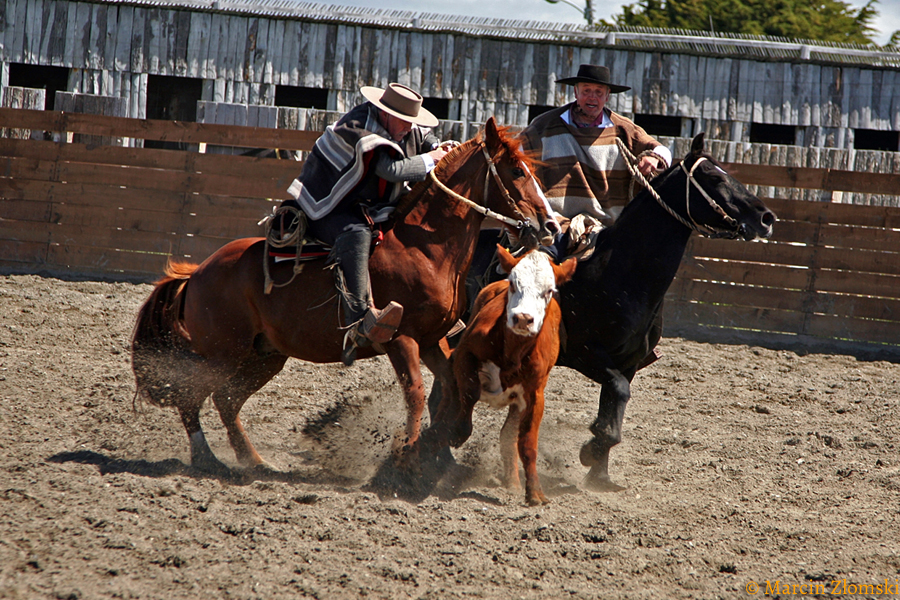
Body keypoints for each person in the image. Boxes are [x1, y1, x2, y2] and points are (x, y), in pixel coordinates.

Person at [285, 83, 450, 366]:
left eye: (413, 121)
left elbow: (424, 137)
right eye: (405, 120)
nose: (410, 128)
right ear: (385, 114)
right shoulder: (357, 126)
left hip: (364, 203)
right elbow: (390, 169)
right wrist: (430, 160)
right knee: (356, 232)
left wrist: (436, 147)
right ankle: (359, 318)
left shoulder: (401, 127)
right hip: (328, 203)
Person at [521, 64, 673, 228]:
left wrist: (653, 158)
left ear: (607, 96)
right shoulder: (544, 126)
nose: (592, 97)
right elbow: (513, 154)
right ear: (576, 93)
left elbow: (663, 151)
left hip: (608, 231)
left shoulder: (624, 130)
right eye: (586, 91)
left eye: (599, 92)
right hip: (555, 226)